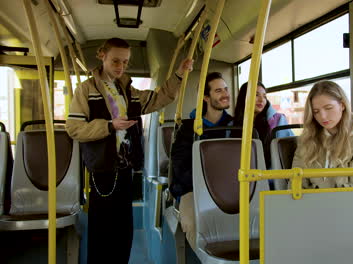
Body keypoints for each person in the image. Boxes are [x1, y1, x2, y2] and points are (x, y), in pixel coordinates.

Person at [65, 37, 193, 264]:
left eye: (125, 62)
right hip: (102, 171)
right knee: (102, 232)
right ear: (101, 56)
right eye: (115, 61)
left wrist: (179, 75)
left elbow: (159, 98)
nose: (120, 67)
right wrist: (108, 126)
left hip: (125, 169)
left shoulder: (128, 91)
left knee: (124, 231)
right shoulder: (86, 90)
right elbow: (74, 128)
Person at [170, 72, 232, 249]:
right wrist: (204, 184)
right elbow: (180, 166)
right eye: (218, 90)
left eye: (226, 89)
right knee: (193, 223)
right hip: (193, 189)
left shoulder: (235, 126)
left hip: (228, 187)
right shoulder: (189, 129)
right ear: (206, 97)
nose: (225, 94)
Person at [292, 80, 353, 189]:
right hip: (316, 205)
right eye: (316, 111)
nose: (323, 116)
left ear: (342, 105)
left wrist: (340, 193)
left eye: (328, 108)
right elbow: (295, 185)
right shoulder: (306, 141)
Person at [233, 81, 293, 168]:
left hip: (272, 176)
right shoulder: (233, 124)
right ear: (244, 98)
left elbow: (285, 154)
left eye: (264, 96)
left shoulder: (278, 120)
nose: (261, 100)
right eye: (256, 95)